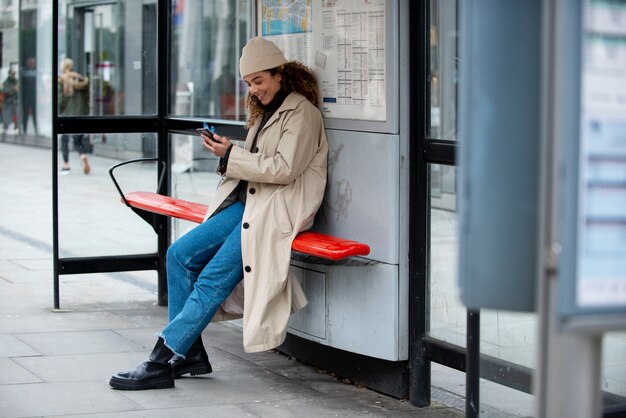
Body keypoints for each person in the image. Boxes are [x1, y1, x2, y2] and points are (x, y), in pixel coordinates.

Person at [109, 36, 328, 390]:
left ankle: (160, 359)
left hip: (274, 211)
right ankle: (189, 354)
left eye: (259, 80)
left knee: (212, 277)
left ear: (280, 75)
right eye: (248, 83)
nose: (254, 89)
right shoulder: (267, 110)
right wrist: (227, 152)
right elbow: (261, 163)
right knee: (179, 255)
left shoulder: (302, 113)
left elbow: (283, 169)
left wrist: (231, 155)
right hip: (248, 203)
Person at [58, 58, 91, 174]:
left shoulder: (63, 80)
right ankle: (83, 156)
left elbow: (61, 100)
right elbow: (87, 98)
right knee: (78, 140)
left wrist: (59, 111)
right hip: (81, 113)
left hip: (67, 114)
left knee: (64, 139)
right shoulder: (80, 79)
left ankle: (66, 165)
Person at [21, 57, 38, 135]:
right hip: (26, 97)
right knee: (25, 114)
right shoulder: (24, 72)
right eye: (30, 63)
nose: (31, 64)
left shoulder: (36, 72)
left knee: (35, 114)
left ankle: (36, 130)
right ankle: (24, 130)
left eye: (32, 63)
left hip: (34, 97)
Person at [2, 69, 18, 137]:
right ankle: (5, 128)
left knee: (17, 114)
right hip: (8, 101)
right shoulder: (6, 82)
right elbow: (4, 90)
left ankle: (17, 127)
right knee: (6, 115)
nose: (13, 75)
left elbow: (18, 90)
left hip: (15, 101)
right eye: (12, 74)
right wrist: (12, 90)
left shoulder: (16, 82)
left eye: (14, 74)